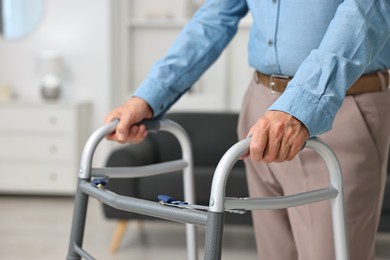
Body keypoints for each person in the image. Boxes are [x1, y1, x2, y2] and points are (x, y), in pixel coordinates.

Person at [105, 1, 390, 259]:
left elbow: (365, 10)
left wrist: (302, 104)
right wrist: (148, 97)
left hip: (337, 105)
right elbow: (215, 16)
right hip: (260, 104)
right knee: (274, 253)